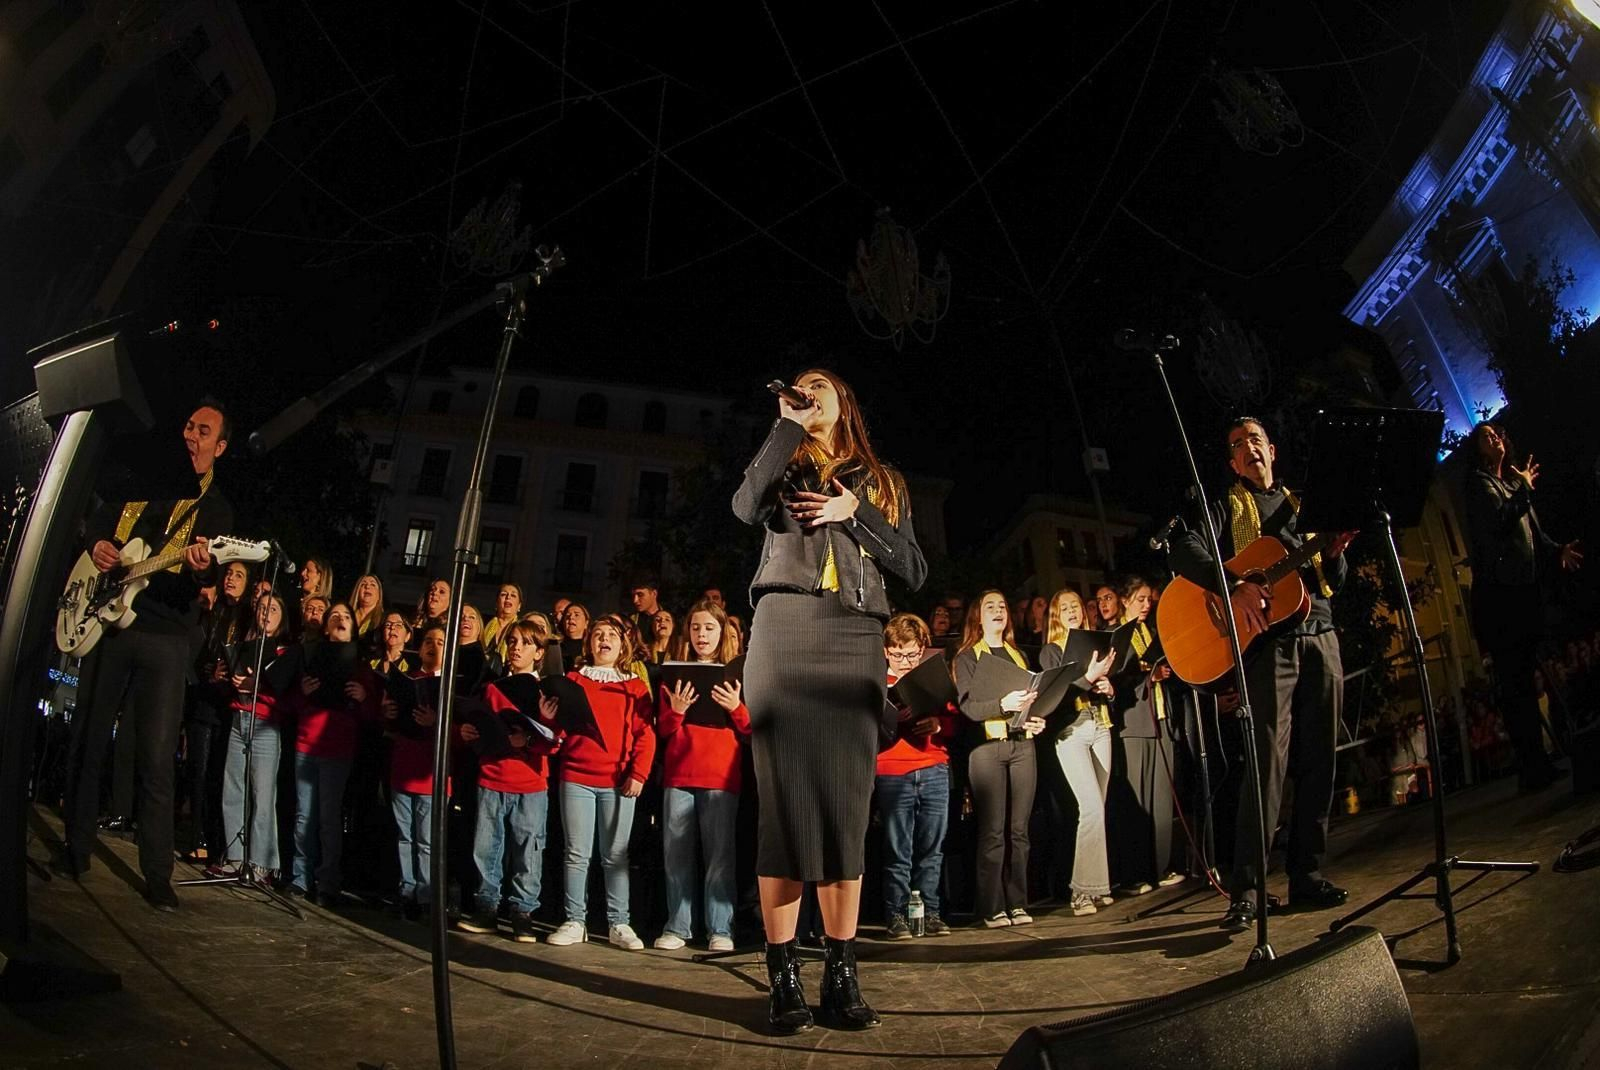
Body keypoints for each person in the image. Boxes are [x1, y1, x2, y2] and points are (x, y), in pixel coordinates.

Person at [733, 368, 926, 1034]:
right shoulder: (782, 460)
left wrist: (857, 513)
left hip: (854, 635)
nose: (810, 390)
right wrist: (785, 426)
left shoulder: (884, 480)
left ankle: (841, 974)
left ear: (845, 400)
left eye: (822, 385)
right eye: (802, 385)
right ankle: (781, 975)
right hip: (785, 632)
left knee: (846, 810)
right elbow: (742, 503)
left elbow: (914, 568)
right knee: (783, 811)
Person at [1169, 416, 1356, 932]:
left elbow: (1332, 577)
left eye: (1254, 439)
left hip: (1321, 631)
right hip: (1267, 645)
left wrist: (1336, 553)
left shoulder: (1304, 505)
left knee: (1320, 758)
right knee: (1266, 764)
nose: (1247, 448)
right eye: (1236, 445)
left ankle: (1307, 874)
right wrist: (1233, 585)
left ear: (1272, 449)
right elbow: (1185, 548)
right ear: (1232, 462)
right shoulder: (1226, 505)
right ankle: (1248, 888)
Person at [59, 400, 235, 910]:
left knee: (157, 759)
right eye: (187, 424)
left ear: (219, 447)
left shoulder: (216, 509)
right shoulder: (142, 480)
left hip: (164, 636)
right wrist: (98, 546)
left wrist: (202, 569)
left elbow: (210, 576)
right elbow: (97, 524)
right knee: (88, 737)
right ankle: (75, 847)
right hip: (109, 624)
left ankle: (157, 872)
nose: (190, 435)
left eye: (203, 431)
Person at [1461, 422, 1583, 792]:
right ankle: (1531, 770)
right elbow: (1500, 523)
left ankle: (1542, 761)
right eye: (1485, 435)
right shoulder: (1479, 485)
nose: (1494, 437)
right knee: (1514, 684)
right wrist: (1524, 489)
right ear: (1477, 449)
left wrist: (1556, 549)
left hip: (1524, 593)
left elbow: (1534, 531)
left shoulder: (1513, 485)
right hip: (1500, 600)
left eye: (1497, 433)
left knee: (1529, 680)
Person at [544, 615, 656, 950]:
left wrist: (638, 774)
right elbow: (560, 733)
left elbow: (645, 735)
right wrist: (549, 719)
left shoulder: (634, 685)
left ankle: (618, 922)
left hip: (618, 781)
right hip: (576, 777)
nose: (603, 639)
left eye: (611, 635)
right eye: (597, 634)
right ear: (588, 642)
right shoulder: (573, 680)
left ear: (623, 644)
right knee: (577, 853)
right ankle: (574, 919)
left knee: (615, 855)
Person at [654, 599, 751, 952]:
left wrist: (735, 708)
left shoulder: (738, 672)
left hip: (720, 774)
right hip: (680, 773)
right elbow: (662, 729)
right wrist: (677, 711)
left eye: (709, 627)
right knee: (676, 855)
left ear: (722, 631)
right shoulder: (675, 672)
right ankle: (678, 927)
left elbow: (753, 728)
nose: (701, 635)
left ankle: (719, 929)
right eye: (695, 628)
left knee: (719, 857)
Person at [456, 620, 559, 943]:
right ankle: (486, 906)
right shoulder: (492, 687)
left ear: (539, 652)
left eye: (525, 643)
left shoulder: (547, 691)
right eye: (512, 641)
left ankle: (523, 911)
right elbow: (477, 726)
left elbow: (556, 740)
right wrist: (468, 734)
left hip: (530, 781)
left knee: (528, 849)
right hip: (493, 774)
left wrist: (529, 738)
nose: (516, 648)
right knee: (486, 847)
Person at [954, 590, 1046, 930]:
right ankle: (991, 907)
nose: (998, 611)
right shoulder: (967, 657)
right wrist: (1002, 705)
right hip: (987, 750)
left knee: (1019, 831)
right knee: (992, 831)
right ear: (977, 616)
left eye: (1003, 606)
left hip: (1023, 746)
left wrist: (1037, 718)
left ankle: (1018, 902)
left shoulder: (1017, 655)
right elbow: (968, 707)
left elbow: (1031, 701)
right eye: (989, 606)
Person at [289, 602, 380, 904]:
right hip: (306, 742)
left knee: (329, 817)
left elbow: (371, 717)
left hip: (337, 748)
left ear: (354, 627)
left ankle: (327, 882)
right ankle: (300, 878)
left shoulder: (360, 666)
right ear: (326, 625)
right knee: (304, 816)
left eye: (346, 617)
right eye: (334, 616)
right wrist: (304, 692)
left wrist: (364, 698)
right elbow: (294, 704)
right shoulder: (311, 656)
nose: (340, 619)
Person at [1037, 589, 1118, 915]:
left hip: (1101, 727)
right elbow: (1054, 699)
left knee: (1100, 809)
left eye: (1075, 606)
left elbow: (1105, 685)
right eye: (1064, 607)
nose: (1072, 611)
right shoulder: (1050, 652)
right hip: (1071, 732)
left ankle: (1097, 887)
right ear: (1056, 615)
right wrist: (1088, 678)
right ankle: (1081, 893)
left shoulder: (1093, 647)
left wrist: (1109, 689)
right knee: (1091, 809)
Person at [877, 613, 955, 939]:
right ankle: (895, 914)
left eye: (912, 654)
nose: (906, 661)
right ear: (886, 652)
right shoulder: (879, 683)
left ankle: (930, 913)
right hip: (893, 770)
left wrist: (938, 725)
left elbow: (955, 721)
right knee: (898, 851)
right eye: (898, 654)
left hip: (934, 766)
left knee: (932, 849)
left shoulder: (930, 677)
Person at [1108, 576, 1184, 894]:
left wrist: (1161, 671)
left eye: (1148, 600)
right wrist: (1147, 674)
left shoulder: (1147, 631)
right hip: (1133, 723)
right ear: (1124, 601)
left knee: (1161, 798)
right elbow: (1117, 679)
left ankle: (1161, 866)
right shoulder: (1117, 635)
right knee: (1136, 801)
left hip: (1159, 718)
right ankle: (1135, 873)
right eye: (1139, 599)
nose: (1145, 604)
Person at [210, 592, 291, 883]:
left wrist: (260, 685)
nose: (265, 613)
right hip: (238, 718)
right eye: (262, 608)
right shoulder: (244, 645)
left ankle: (262, 863)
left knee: (262, 794)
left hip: (266, 724)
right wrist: (222, 677)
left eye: (273, 609)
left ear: (282, 618)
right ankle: (235, 857)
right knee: (234, 789)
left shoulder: (285, 653)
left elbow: (289, 698)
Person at [185, 559, 252, 862]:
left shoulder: (249, 615)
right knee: (197, 771)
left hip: (230, 707)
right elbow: (197, 653)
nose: (231, 579)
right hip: (205, 699)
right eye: (229, 573)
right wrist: (210, 673)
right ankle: (196, 835)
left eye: (239, 575)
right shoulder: (211, 614)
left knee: (220, 775)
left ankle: (217, 841)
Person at [384, 621, 447, 920]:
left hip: (432, 773)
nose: (433, 646)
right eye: (428, 641)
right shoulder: (407, 679)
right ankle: (407, 890)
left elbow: (461, 734)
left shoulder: (451, 685)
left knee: (427, 839)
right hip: (403, 763)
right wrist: (388, 712)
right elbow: (389, 723)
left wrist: (436, 722)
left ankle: (426, 895)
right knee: (404, 835)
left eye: (440, 642)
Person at [482, 583, 523, 661]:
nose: (508, 597)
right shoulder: (483, 624)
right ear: (497, 602)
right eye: (503, 594)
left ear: (519, 606)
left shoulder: (522, 630)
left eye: (513, 595)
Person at [350, 574, 386, 642]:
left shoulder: (383, 620)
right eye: (363, 584)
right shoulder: (346, 615)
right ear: (357, 592)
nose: (367, 586)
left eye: (373, 584)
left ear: (379, 595)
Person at [558, 602, 590, 667]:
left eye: (576, 615)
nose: (571, 617)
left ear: (586, 623)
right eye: (567, 615)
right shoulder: (556, 647)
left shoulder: (591, 647)